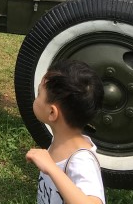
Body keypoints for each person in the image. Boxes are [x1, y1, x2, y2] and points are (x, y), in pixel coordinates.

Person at [26, 60, 105, 204]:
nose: (35, 99)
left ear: (52, 112)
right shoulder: (61, 141)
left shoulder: (81, 161)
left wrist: (51, 168)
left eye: (39, 94)